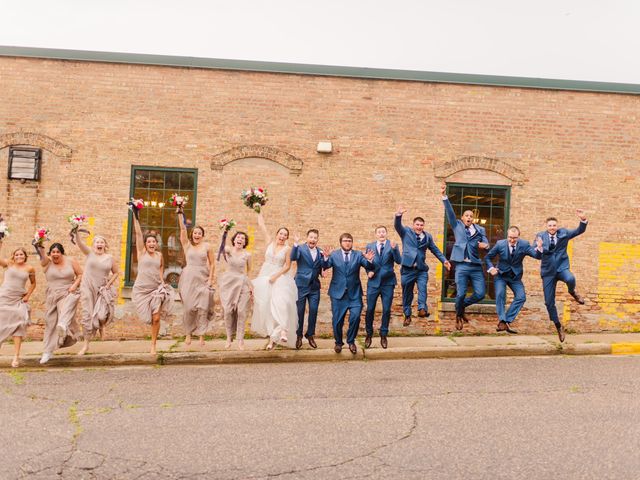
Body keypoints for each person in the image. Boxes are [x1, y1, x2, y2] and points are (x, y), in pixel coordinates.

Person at [441, 184, 490, 331]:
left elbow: (486, 242)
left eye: (471, 216)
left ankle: (460, 307)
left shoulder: (480, 229)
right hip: (461, 265)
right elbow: (449, 212)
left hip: (475, 265)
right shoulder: (457, 226)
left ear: (473, 219)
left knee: (480, 293)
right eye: (466, 216)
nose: (469, 218)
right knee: (461, 292)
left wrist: (485, 245)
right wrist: (445, 197)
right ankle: (458, 315)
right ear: (462, 218)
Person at [535, 211, 588, 342]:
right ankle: (558, 326)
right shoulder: (540, 236)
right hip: (548, 272)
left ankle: (572, 292)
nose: (552, 227)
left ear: (556, 226)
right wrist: (539, 248)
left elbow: (578, 231)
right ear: (546, 226)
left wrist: (583, 220)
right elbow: (536, 254)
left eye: (554, 225)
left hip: (561, 267)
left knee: (570, 278)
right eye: (550, 225)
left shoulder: (563, 233)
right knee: (548, 302)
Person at [394, 206, 450, 326]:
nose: (419, 227)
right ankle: (407, 315)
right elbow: (397, 226)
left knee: (423, 288)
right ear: (414, 225)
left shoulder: (427, 237)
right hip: (407, 269)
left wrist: (444, 260)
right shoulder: (406, 232)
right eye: (417, 224)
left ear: (423, 226)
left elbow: (435, 250)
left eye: (421, 225)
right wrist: (398, 215)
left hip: (421, 269)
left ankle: (422, 309)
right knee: (407, 294)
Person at [321, 234, 375, 354]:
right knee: (337, 320)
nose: (347, 243)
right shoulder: (334, 254)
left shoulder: (358, 255)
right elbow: (326, 266)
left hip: (354, 294)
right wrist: (325, 258)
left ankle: (351, 341)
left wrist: (369, 260)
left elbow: (369, 266)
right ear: (340, 242)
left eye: (350, 241)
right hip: (337, 293)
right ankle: (338, 343)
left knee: (355, 317)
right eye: (345, 241)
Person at [251, 212, 298, 350]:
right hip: (265, 277)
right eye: (280, 233)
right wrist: (259, 209)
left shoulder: (287, 249)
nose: (282, 236)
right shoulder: (269, 242)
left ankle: (283, 329)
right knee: (266, 308)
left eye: (285, 235)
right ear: (277, 234)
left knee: (280, 304)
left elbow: (288, 266)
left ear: (287, 238)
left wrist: (275, 276)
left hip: (279, 278)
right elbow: (262, 225)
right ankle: (272, 339)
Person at [131, 211, 174, 354]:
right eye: (149, 242)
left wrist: (162, 281)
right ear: (145, 244)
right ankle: (152, 341)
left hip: (156, 289)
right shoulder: (141, 252)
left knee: (156, 318)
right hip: (142, 289)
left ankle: (153, 345)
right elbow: (138, 234)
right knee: (147, 317)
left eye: (153, 242)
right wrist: (135, 215)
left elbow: (161, 267)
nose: (151, 244)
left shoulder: (159, 255)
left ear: (156, 244)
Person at [486, 227, 542, 334]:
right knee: (500, 294)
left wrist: (539, 248)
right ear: (507, 236)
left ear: (518, 237)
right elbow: (488, 258)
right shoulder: (500, 244)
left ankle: (507, 320)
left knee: (521, 297)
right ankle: (502, 320)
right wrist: (491, 268)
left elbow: (536, 256)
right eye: (510, 238)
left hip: (515, 277)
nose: (512, 240)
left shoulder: (524, 244)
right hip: (501, 275)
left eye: (515, 238)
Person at [36, 242, 83, 364]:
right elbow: (41, 254)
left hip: (68, 292)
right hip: (52, 295)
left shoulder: (71, 261)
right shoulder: (46, 262)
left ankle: (63, 325)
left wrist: (74, 285)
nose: (55, 254)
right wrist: (38, 243)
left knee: (64, 310)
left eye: (58, 252)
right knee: (51, 323)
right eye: (53, 252)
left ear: (62, 253)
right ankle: (47, 351)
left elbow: (80, 274)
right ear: (50, 254)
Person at [74, 230, 118, 356]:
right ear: (93, 245)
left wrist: (108, 284)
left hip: (101, 290)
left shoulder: (109, 258)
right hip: (87, 287)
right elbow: (79, 243)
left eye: (102, 242)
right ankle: (86, 345)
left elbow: (116, 272)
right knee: (87, 315)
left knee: (100, 316)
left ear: (105, 245)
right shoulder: (89, 254)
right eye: (97, 242)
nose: (99, 244)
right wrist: (76, 230)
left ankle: (101, 325)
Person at [177, 208, 215, 346]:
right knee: (188, 308)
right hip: (188, 279)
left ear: (202, 235)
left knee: (203, 308)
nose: (197, 235)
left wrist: (211, 279)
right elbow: (182, 229)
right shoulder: (187, 245)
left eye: (199, 233)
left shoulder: (207, 246)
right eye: (195, 233)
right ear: (192, 235)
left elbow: (212, 264)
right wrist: (180, 213)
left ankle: (201, 335)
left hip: (203, 279)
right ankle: (188, 333)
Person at [364, 226, 401, 349]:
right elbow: (367, 263)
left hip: (388, 283)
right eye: (379, 232)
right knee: (370, 310)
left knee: (386, 310)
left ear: (386, 233)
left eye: (383, 232)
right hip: (373, 283)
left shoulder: (392, 245)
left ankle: (383, 334)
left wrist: (395, 250)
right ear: (376, 234)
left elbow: (399, 261)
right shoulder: (370, 246)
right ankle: (369, 334)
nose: (381, 234)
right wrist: (368, 271)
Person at [0, 242, 36, 368]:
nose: (19, 256)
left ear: (25, 256)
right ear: (13, 256)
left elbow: (33, 284)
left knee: (19, 326)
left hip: (18, 300)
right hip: (4, 298)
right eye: (17, 254)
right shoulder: (8, 264)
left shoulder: (30, 269)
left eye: (21, 254)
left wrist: (27, 296)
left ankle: (16, 357)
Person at [218, 231, 252, 350]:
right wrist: (225, 231)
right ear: (234, 240)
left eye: (243, 238)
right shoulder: (228, 250)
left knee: (241, 311)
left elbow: (249, 271)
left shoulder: (247, 255)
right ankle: (228, 337)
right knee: (228, 311)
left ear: (245, 242)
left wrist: (250, 285)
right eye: (238, 237)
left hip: (242, 283)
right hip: (229, 283)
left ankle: (240, 340)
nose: (240, 239)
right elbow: (222, 247)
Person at [290, 229, 324, 349]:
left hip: (314, 286)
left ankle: (310, 335)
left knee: (313, 311)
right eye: (311, 237)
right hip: (301, 285)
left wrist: (322, 270)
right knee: (299, 312)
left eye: (315, 238)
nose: (313, 240)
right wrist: (295, 243)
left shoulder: (320, 251)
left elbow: (321, 265)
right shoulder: (300, 248)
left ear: (317, 239)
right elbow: (293, 257)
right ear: (307, 238)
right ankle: (298, 335)